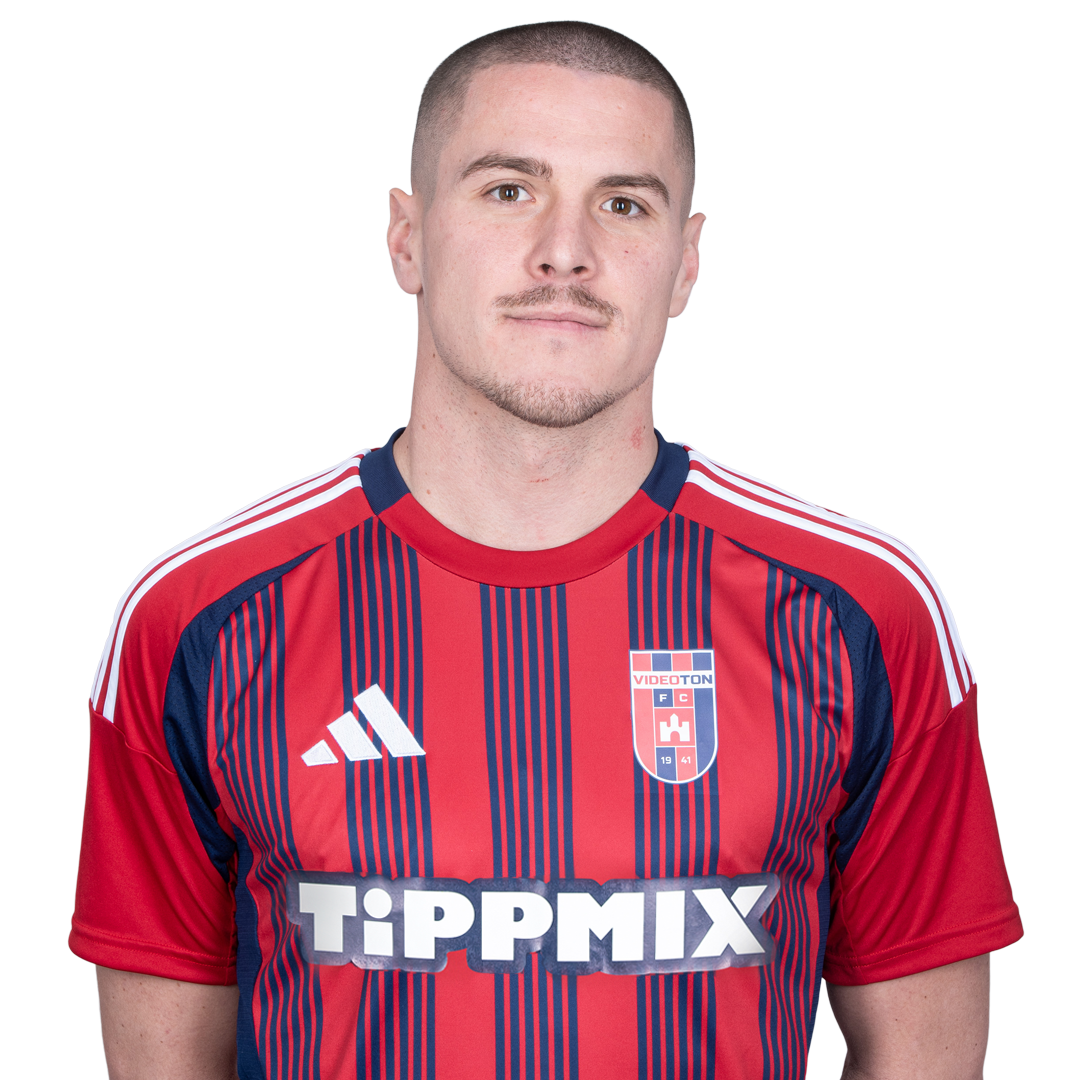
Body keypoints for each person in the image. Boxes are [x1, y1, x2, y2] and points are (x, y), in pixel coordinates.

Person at [70, 21, 1022, 1080]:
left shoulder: (864, 611)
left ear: (686, 264)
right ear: (408, 238)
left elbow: (928, 1056)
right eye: (509, 189)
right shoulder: (198, 617)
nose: (565, 251)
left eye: (624, 203)